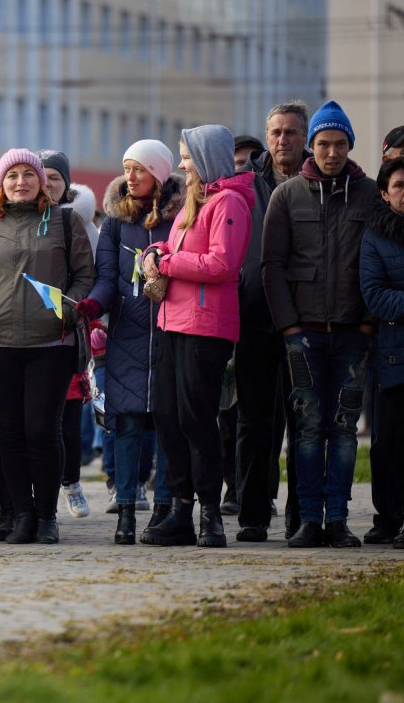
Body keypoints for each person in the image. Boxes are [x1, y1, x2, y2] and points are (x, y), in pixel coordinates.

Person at [0, 149, 95, 545]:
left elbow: (85, 275)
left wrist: (68, 312)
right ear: (1, 183)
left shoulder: (65, 222)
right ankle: (20, 513)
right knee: (11, 431)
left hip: (50, 341)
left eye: (28, 175)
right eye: (12, 175)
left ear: (42, 181)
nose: (21, 182)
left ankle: (46, 515)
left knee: (42, 429)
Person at [263, 100, 378, 548]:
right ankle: (309, 519)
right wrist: (289, 328)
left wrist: (368, 324)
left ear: (350, 145)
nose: (332, 152)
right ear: (311, 147)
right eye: (324, 144)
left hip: (353, 333)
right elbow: (272, 265)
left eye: (340, 144)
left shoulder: (370, 195)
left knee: (345, 430)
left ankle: (338, 520)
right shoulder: (286, 195)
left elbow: (379, 262)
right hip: (304, 335)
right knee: (308, 429)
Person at [140, 125, 254, 548]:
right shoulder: (194, 201)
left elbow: (222, 264)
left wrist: (167, 264)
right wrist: (154, 254)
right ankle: (181, 510)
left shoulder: (229, 202)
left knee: (196, 419)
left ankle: (210, 514)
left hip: (206, 326)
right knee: (168, 416)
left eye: (187, 156)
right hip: (173, 321)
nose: (182, 164)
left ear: (206, 158)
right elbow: (172, 251)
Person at [76, 140, 184, 544]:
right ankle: (125, 513)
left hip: (172, 333)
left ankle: (164, 509)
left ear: (158, 171)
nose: (130, 177)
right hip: (128, 335)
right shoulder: (117, 222)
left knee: (169, 424)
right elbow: (106, 277)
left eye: (139, 169)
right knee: (126, 424)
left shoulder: (181, 217)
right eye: (126, 168)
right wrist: (93, 304)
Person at [232, 101, 310, 542]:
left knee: (303, 421)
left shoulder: (318, 182)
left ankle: (301, 515)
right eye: (276, 132)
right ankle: (252, 515)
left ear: (305, 138)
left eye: (291, 133)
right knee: (254, 422)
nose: (282, 141)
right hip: (254, 318)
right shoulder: (247, 184)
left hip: (305, 322)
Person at [40, 149, 94, 520]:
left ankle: (71, 483)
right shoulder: (16, 218)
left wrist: (70, 306)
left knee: (69, 422)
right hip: (25, 332)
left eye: (53, 179)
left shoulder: (78, 223)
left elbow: (88, 276)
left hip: (66, 329)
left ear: (65, 184)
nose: (45, 185)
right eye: (39, 177)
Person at [361, 157, 404, 548]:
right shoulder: (376, 235)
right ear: (384, 193)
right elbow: (374, 295)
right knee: (387, 443)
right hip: (392, 357)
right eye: (399, 185)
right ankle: (388, 518)